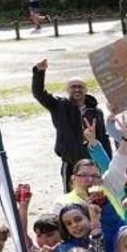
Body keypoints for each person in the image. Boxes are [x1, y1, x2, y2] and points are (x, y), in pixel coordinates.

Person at [32, 58, 111, 191]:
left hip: (93, 163)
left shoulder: (96, 112)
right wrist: (39, 72)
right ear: (67, 90)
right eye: (73, 87)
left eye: (80, 86)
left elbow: (104, 138)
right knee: (72, 199)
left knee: (97, 197)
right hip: (70, 163)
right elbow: (39, 93)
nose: (77, 89)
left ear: (86, 90)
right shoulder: (58, 106)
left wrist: (108, 163)